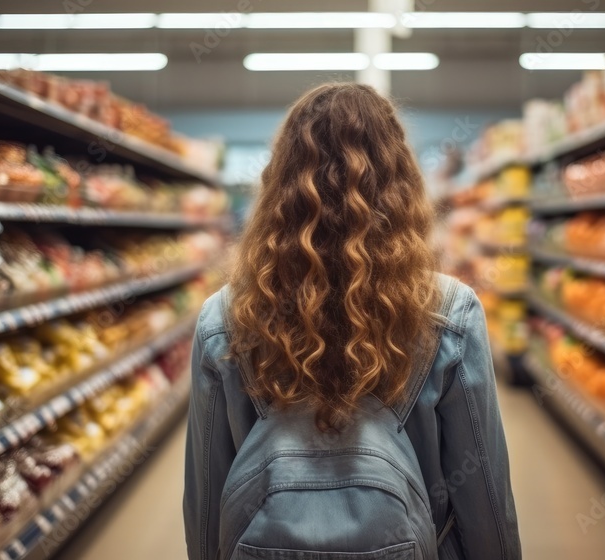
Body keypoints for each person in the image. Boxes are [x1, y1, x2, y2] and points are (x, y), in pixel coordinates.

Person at [183, 82, 520, 560]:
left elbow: (207, 496)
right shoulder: (449, 312)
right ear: (401, 182)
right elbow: (483, 492)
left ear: (279, 183)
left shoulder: (225, 316)